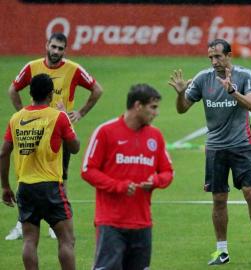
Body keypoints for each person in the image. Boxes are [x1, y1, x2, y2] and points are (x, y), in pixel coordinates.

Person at [169, 39, 251, 267]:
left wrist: (233, 91)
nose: (214, 61)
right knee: (218, 199)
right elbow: (182, 109)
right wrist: (179, 94)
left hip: (242, 146)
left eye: (217, 56)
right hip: (215, 148)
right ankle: (222, 251)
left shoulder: (245, 75)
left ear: (229, 55)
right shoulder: (202, 78)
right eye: (210, 57)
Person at [6, 32, 103, 240]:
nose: (56, 51)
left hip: (59, 131)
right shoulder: (31, 67)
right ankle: (21, 224)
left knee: (61, 176)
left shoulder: (73, 69)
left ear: (64, 50)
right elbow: (12, 89)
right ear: (46, 45)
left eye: (60, 48)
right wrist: (22, 112)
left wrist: (80, 112)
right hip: (33, 131)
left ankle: (55, 223)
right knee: (25, 174)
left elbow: (97, 89)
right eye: (53, 47)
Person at [81, 83, 174, 270]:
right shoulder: (106, 131)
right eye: (153, 107)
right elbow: (87, 170)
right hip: (111, 222)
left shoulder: (155, 136)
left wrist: (155, 181)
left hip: (142, 223)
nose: (156, 113)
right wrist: (118, 186)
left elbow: (167, 172)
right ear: (138, 106)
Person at [0, 73, 80, 270]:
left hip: (25, 187)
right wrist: (66, 119)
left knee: (29, 241)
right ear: (51, 95)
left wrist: (5, 187)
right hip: (51, 187)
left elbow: (3, 152)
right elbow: (75, 147)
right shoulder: (57, 117)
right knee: (66, 239)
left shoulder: (16, 118)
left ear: (30, 93)